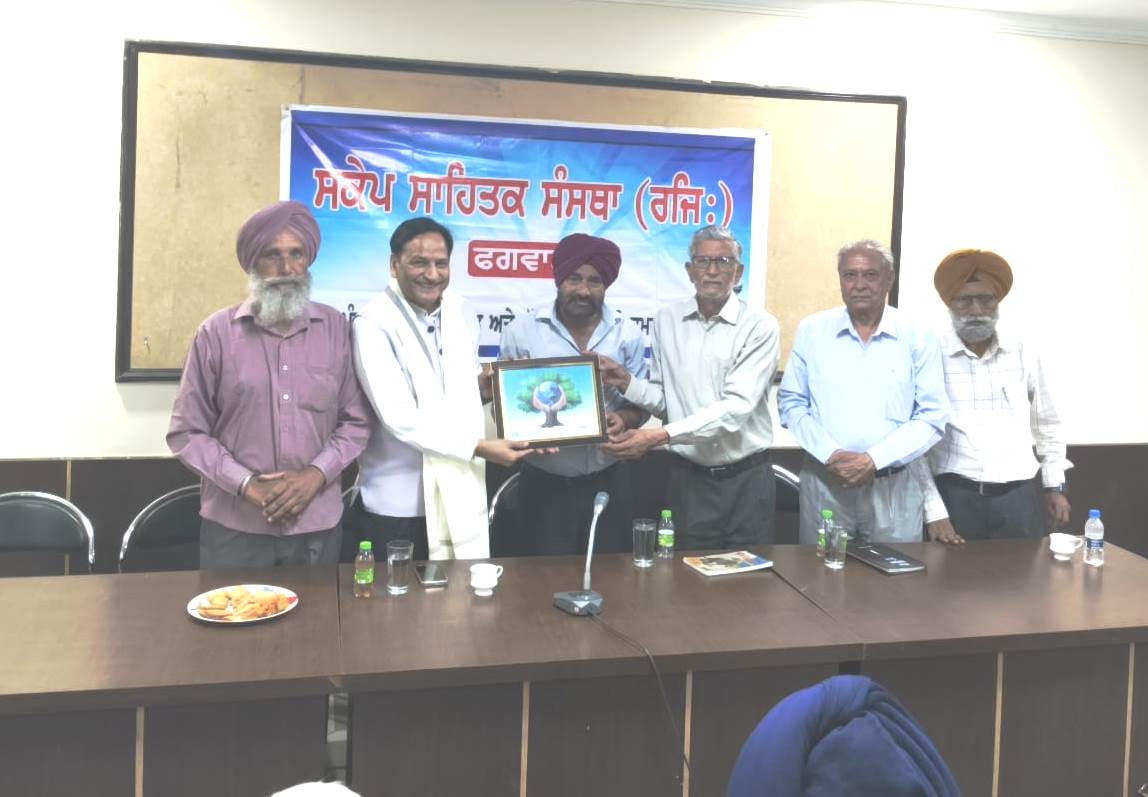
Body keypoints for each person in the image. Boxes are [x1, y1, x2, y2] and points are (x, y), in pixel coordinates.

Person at [168, 200, 370, 569]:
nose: (287, 268)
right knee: (232, 608)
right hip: (236, 526)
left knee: (317, 611)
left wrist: (315, 475)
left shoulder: (336, 329)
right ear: (252, 263)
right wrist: (246, 484)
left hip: (317, 524)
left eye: (297, 254)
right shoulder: (215, 334)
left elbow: (356, 422)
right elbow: (187, 433)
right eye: (272, 255)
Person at [350, 217, 540, 561]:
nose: (432, 274)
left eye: (441, 263)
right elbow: (398, 416)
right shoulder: (372, 322)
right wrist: (478, 447)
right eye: (419, 262)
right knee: (396, 593)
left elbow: (460, 390)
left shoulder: (460, 310)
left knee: (456, 593)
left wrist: (493, 388)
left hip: (461, 489)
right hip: (399, 499)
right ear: (394, 265)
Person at [598, 225, 780, 549]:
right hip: (688, 480)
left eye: (723, 261)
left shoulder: (759, 326)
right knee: (687, 573)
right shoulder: (666, 320)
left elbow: (736, 409)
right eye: (703, 261)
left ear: (738, 272)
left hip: (747, 480)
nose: (712, 270)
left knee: (750, 576)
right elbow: (666, 400)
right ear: (689, 270)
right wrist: (626, 382)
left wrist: (660, 436)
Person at [778, 239, 949, 544]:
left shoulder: (919, 335)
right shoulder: (812, 331)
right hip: (825, 483)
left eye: (870, 275)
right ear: (840, 279)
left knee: (894, 573)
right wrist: (831, 454)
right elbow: (791, 402)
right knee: (822, 570)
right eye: (850, 275)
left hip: (893, 488)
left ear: (889, 279)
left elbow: (932, 414)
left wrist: (873, 459)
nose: (859, 285)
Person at [498, 233, 648, 555]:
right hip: (544, 483)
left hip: (611, 480)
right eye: (574, 279)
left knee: (613, 575)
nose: (583, 290)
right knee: (540, 577)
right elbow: (505, 404)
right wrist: (525, 427)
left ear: (606, 285)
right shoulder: (521, 331)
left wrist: (624, 418)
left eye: (595, 281)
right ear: (559, 279)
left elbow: (642, 405)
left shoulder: (629, 335)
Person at [922, 249, 1071, 544]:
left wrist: (1054, 487)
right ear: (949, 304)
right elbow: (918, 443)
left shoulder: (1022, 351)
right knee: (954, 575)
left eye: (986, 299)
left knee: (1024, 574)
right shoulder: (929, 355)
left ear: (997, 301)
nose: (976, 310)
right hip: (954, 497)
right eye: (964, 300)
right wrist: (933, 510)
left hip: (1018, 499)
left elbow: (1048, 423)